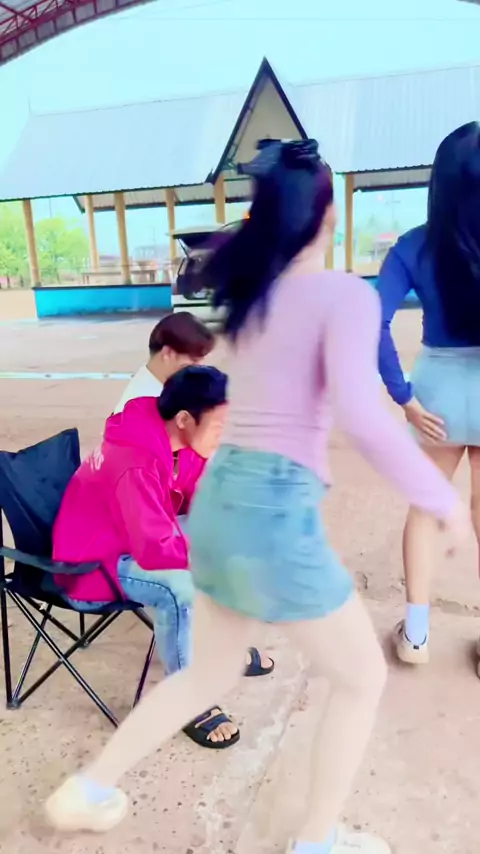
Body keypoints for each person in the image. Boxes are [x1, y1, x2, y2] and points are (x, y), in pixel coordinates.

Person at [45, 139, 467, 852]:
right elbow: (364, 419)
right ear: (328, 215)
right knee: (362, 679)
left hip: (221, 503)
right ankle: (316, 841)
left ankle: (86, 789)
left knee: (208, 673)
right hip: (274, 513)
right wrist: (442, 498)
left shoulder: (251, 300)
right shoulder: (342, 296)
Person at [53, 365, 270, 751]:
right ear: (184, 419)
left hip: (132, 537)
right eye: (220, 425)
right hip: (93, 566)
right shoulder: (134, 458)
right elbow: (155, 549)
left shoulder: (177, 439)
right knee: (181, 586)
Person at [376, 122, 480, 667]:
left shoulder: (413, 246)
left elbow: (371, 324)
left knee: (424, 508)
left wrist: (404, 397)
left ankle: (415, 636)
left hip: (437, 391)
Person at [114, 311, 215, 414]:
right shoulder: (144, 406)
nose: (200, 367)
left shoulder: (156, 386)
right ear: (168, 353)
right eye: (194, 360)